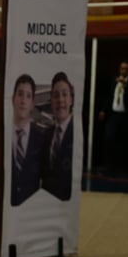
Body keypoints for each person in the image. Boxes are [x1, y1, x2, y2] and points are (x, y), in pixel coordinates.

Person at [9, 74, 48, 206]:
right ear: (13, 99)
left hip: (32, 207)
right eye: (20, 94)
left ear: (32, 104)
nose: (23, 101)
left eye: (28, 96)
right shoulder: (4, 137)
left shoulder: (41, 139)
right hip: (8, 207)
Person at [98, 60, 128, 174]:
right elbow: (110, 96)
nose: (123, 71)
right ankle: (109, 166)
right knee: (109, 138)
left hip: (127, 116)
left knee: (126, 142)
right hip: (114, 115)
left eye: (126, 69)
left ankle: (127, 168)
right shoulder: (114, 80)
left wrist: (125, 85)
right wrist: (103, 110)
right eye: (122, 68)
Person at [41, 72, 74, 201]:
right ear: (51, 101)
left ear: (71, 99)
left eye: (64, 94)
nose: (60, 100)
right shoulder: (47, 134)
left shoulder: (77, 132)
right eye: (56, 95)